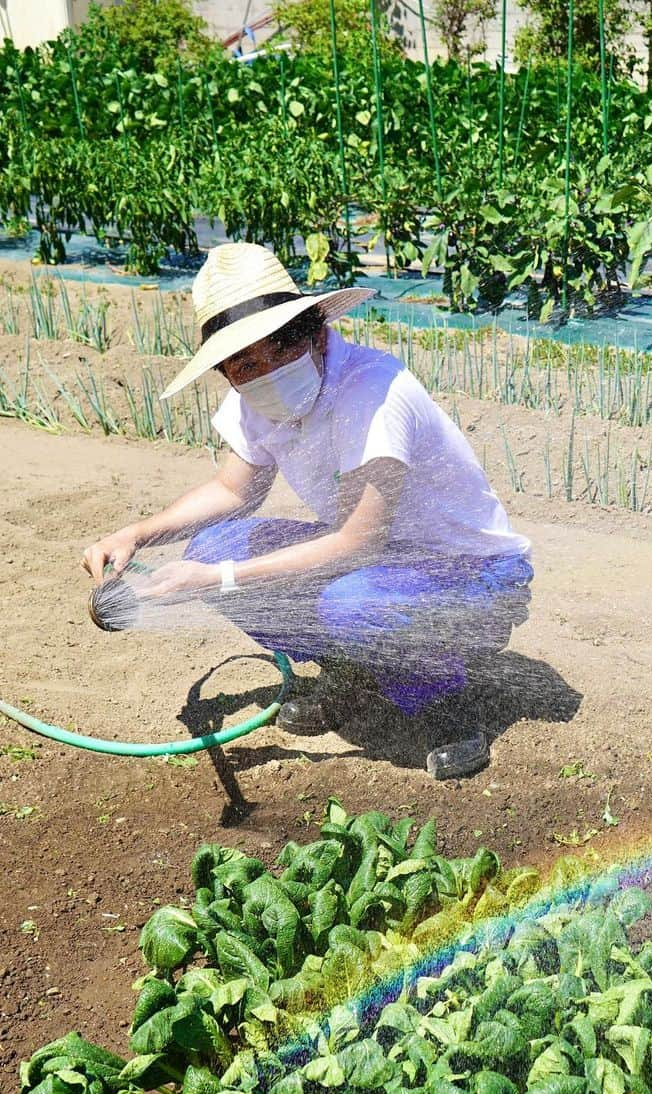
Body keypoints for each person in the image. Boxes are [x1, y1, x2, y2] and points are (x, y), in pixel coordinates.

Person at [81, 242, 533, 779]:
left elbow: (356, 543)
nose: (264, 371)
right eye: (245, 363)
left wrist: (221, 579)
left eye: (278, 348)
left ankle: (450, 707)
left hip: (475, 577)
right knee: (215, 546)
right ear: (226, 372)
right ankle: (349, 675)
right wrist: (138, 534)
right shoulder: (253, 402)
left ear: (315, 332)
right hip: (380, 561)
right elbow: (234, 489)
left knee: (346, 600)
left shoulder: (372, 391)